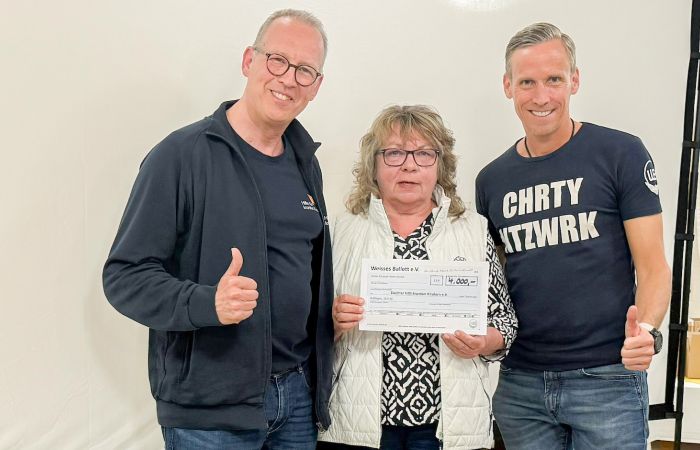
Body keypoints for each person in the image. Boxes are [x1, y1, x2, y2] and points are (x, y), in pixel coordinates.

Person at [102, 9, 333, 449]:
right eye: (278, 60)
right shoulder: (180, 156)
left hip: (297, 399)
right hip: (209, 414)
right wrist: (207, 303)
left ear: (316, 86)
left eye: (305, 70)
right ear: (249, 61)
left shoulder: (305, 162)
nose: (288, 79)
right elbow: (124, 277)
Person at [475, 22, 672, 449]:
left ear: (575, 81)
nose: (541, 96)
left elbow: (654, 266)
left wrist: (648, 331)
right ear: (508, 86)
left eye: (554, 79)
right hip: (521, 384)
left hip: (607, 379)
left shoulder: (621, 153)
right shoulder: (491, 181)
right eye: (527, 82)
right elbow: (493, 283)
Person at [317, 105, 518, 450]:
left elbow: (504, 321)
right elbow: (310, 324)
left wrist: (483, 342)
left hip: (448, 426)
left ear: (440, 165)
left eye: (424, 154)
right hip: (358, 423)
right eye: (394, 153)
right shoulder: (342, 230)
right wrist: (332, 322)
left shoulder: (472, 230)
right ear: (374, 165)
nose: (409, 165)